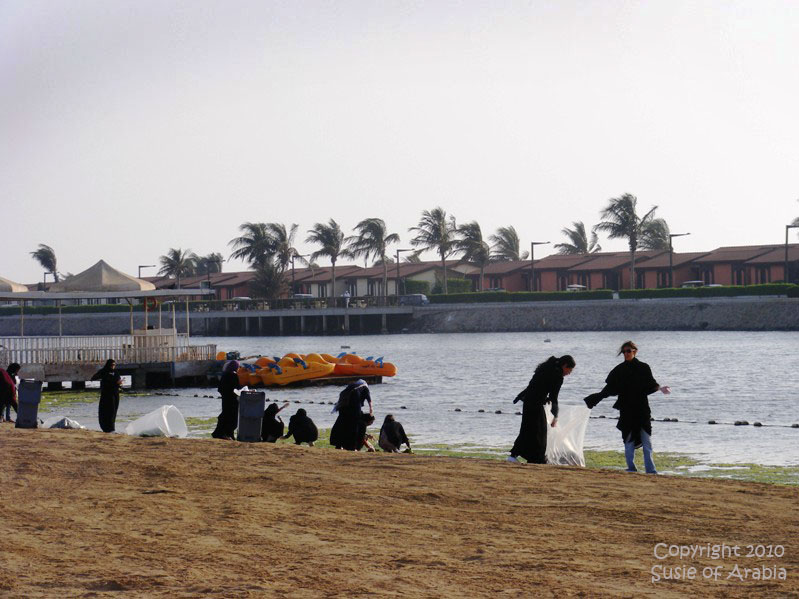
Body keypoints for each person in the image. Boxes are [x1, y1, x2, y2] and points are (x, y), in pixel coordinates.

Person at [583, 341, 670, 474]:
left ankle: (651, 470)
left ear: (635, 351)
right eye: (624, 352)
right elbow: (609, 388)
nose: (626, 354)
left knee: (646, 439)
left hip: (641, 408)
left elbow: (651, 384)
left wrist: (660, 388)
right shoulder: (619, 370)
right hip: (626, 409)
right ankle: (631, 468)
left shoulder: (643, 367)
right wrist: (596, 398)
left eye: (628, 351)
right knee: (628, 439)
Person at [508, 355, 576, 464]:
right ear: (565, 365)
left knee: (527, 429)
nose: (569, 373)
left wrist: (520, 396)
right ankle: (536, 459)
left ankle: (514, 456)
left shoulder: (545, 367)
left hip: (529, 401)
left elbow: (533, 386)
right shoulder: (558, 376)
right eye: (570, 370)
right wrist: (555, 416)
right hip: (535, 404)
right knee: (539, 433)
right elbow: (554, 397)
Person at [329, 379, 373, 450]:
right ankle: (352, 446)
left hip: (343, 405)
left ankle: (338, 445)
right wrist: (371, 408)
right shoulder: (364, 386)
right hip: (354, 403)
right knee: (354, 425)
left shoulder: (352, 386)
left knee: (341, 424)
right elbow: (369, 398)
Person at [211, 360, 242, 440]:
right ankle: (227, 433)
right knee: (232, 418)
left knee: (225, 415)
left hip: (225, 399)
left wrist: (225, 395)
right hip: (233, 400)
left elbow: (220, 389)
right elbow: (237, 388)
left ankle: (224, 433)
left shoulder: (225, 375)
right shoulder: (234, 375)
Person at [91, 359, 123, 433]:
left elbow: (119, 382)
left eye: (114, 365)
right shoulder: (104, 371)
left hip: (115, 394)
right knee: (106, 411)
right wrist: (107, 378)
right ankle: (106, 428)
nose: (113, 366)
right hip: (106, 395)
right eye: (112, 365)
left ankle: (112, 428)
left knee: (113, 411)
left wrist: (119, 383)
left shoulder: (116, 372)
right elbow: (94, 377)